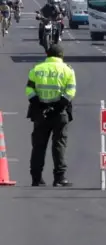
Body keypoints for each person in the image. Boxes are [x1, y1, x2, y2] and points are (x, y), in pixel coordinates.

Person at [26, 44, 76, 187]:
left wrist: (40, 105)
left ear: (47, 54)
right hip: (59, 114)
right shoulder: (68, 70)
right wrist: (57, 107)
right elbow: (70, 92)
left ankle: (36, 178)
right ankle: (59, 178)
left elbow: (29, 90)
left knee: (38, 146)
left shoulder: (37, 69)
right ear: (61, 56)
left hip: (40, 113)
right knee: (59, 145)